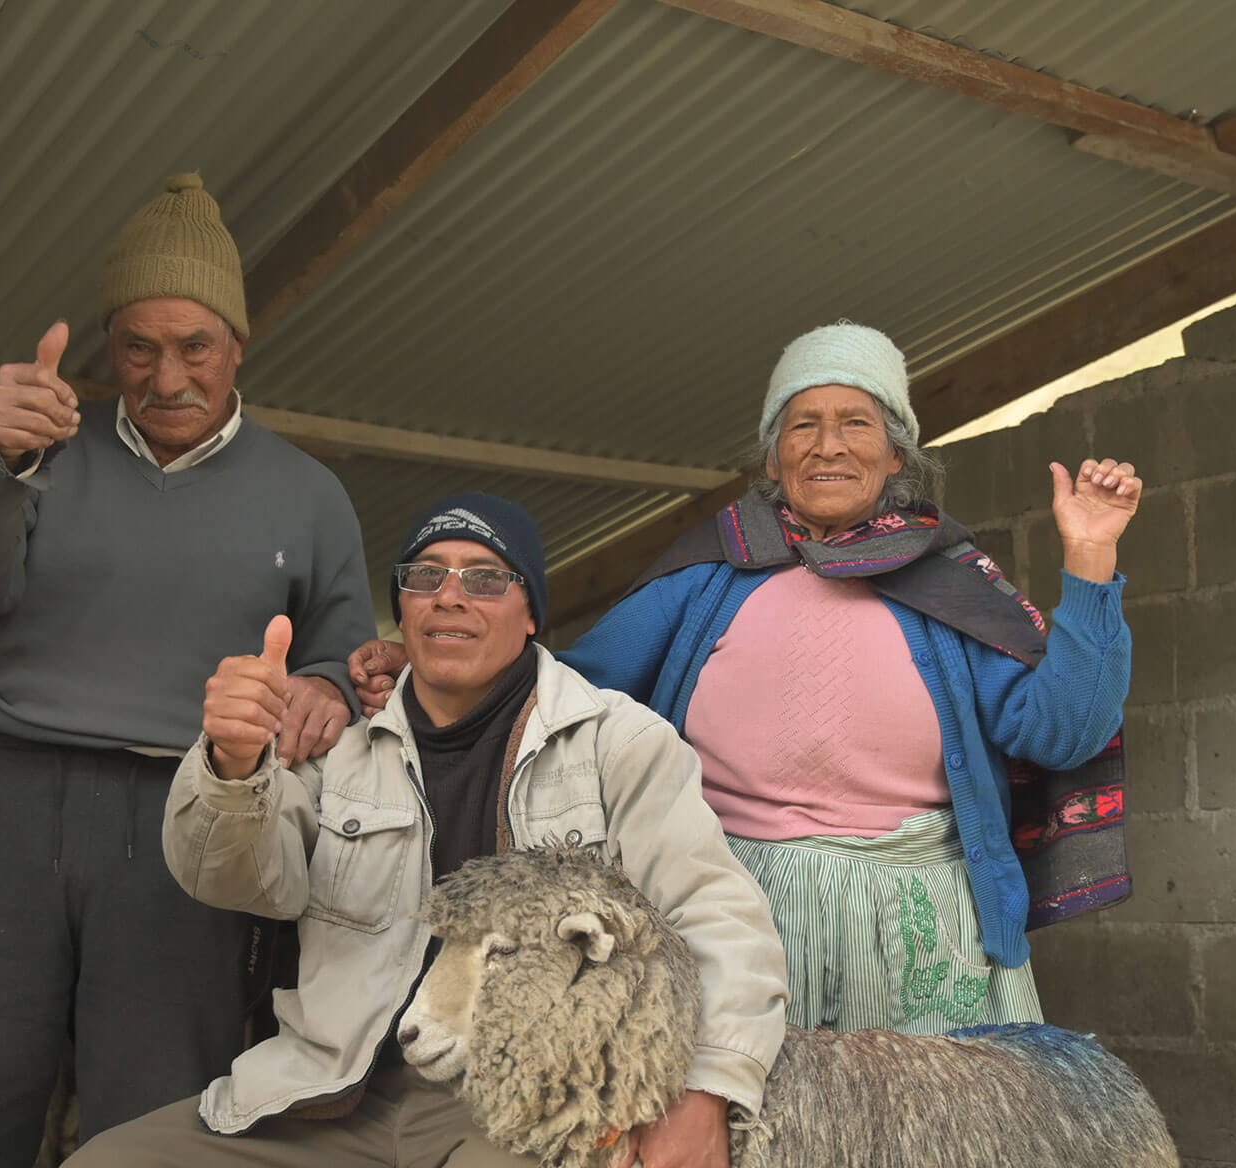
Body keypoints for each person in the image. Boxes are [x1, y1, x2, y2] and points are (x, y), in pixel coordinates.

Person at [45, 493, 789, 1168]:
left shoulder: (618, 743)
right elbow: (229, 877)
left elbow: (718, 920)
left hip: (517, 1114)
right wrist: (233, 764)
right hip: (331, 1091)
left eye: (485, 579)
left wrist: (707, 1092)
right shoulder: (337, 747)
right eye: (426, 575)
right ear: (400, 608)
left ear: (531, 610)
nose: (451, 596)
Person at [354, 323, 1139, 1035]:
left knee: (923, 1164)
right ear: (773, 457)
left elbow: (1064, 728)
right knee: (742, 1154)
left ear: (896, 454)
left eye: (855, 423)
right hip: (728, 912)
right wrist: (434, 666)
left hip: (922, 929)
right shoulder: (709, 573)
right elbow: (560, 693)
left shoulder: (954, 580)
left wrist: (1091, 557)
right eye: (803, 425)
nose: (827, 445)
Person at [0, 174, 377, 1168]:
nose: (167, 375)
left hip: (188, 825)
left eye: (195, 344)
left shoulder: (307, 493)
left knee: (146, 1144)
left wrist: (328, 691)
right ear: (108, 347)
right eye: (139, 348)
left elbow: (348, 651)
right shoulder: (40, 451)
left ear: (239, 341)